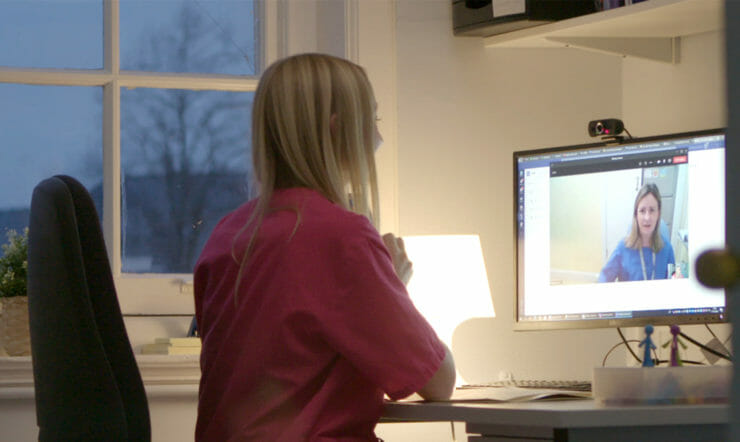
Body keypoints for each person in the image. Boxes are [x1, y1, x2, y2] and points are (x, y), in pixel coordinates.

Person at [193, 53, 456, 442]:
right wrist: (395, 288)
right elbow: (439, 382)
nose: (378, 137)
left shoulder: (226, 235)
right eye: (373, 121)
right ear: (337, 130)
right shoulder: (343, 238)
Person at [598, 183, 676, 282]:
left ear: (658, 214)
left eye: (652, 210)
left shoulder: (668, 249)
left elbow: (673, 278)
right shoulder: (623, 248)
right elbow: (604, 278)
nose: (647, 218)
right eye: (642, 211)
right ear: (636, 214)